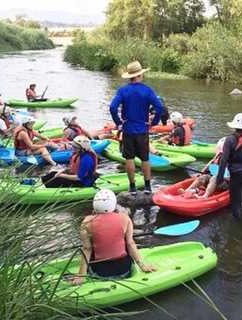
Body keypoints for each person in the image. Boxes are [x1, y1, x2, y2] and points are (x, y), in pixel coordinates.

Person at [71, 189, 157, 285]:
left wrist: (81, 275)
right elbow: (130, 243)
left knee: (92, 245)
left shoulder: (86, 222)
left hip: (100, 273)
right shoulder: (125, 218)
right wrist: (143, 266)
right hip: (123, 270)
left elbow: (87, 249)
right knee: (125, 241)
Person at [109, 61, 163, 195]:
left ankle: (132, 188)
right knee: (145, 158)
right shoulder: (147, 90)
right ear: (140, 75)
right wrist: (154, 122)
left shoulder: (123, 90)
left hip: (128, 129)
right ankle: (147, 187)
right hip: (142, 130)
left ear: (129, 76)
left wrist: (118, 122)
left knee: (129, 158)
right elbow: (159, 107)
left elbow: (112, 108)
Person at [216, 113, 242, 218]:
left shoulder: (230, 139)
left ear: (234, 126)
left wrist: (219, 179)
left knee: (236, 202)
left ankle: (237, 225)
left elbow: (224, 160)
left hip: (238, 174)